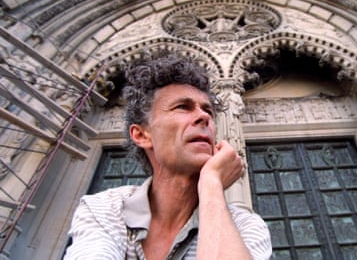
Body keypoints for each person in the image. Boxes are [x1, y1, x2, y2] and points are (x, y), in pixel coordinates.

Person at [64, 51, 272, 259]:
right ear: (142, 135)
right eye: (183, 107)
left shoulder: (245, 225)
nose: (204, 117)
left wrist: (211, 186)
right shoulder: (105, 209)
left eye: (208, 111)